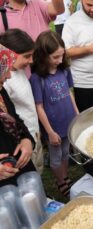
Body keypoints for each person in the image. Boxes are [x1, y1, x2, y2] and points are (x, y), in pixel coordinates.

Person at [30, 31, 78, 196]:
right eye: (55, 57)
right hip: (54, 128)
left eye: (61, 56)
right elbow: (39, 107)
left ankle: (64, 177)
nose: (59, 60)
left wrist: (77, 113)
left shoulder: (64, 70)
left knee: (65, 153)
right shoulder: (37, 78)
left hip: (69, 121)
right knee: (56, 157)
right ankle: (60, 181)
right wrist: (50, 132)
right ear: (43, 56)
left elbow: (69, 92)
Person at [1, 29, 44, 174]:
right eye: (27, 56)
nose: (31, 61)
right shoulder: (5, 81)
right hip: (17, 144)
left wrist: (29, 138)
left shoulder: (16, 72)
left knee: (38, 167)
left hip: (31, 134)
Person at [0, 44, 35, 186]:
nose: (9, 76)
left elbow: (16, 119)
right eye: (4, 71)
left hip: (19, 165)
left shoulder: (1, 91)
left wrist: (26, 140)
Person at [0, 0, 64, 41]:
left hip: (45, 59)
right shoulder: (2, 15)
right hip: (23, 61)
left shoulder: (37, 4)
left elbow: (58, 10)